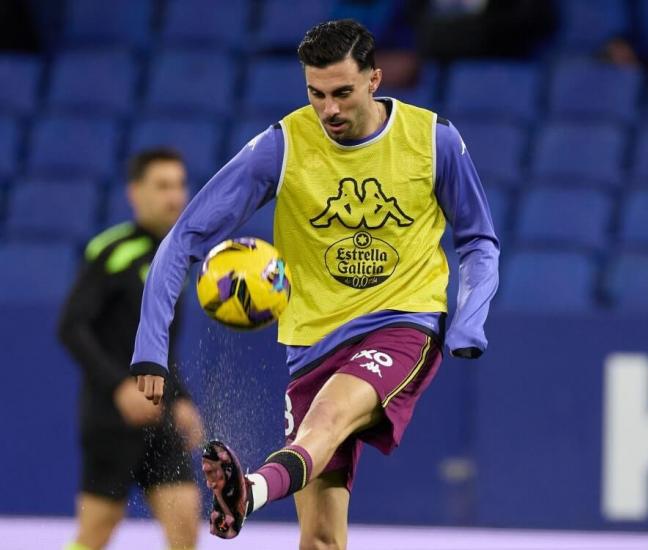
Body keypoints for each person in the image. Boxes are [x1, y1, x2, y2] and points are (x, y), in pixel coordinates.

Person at [131, 20, 499, 549]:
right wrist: (150, 348)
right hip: (309, 344)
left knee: (325, 420)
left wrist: (468, 322)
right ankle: (252, 491)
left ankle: (249, 492)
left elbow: (479, 241)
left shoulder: (432, 140)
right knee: (323, 538)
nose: (329, 110)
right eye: (317, 94)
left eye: (343, 93)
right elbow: (185, 235)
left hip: (400, 324)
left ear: (375, 79)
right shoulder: (283, 146)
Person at [59, 148, 204, 550]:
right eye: (162, 186)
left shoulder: (176, 258)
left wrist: (182, 399)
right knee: (96, 534)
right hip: (111, 419)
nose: (174, 196)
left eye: (178, 185)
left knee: (185, 533)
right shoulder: (112, 251)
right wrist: (119, 388)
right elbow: (71, 327)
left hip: (160, 419)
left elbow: (162, 350)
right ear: (134, 193)